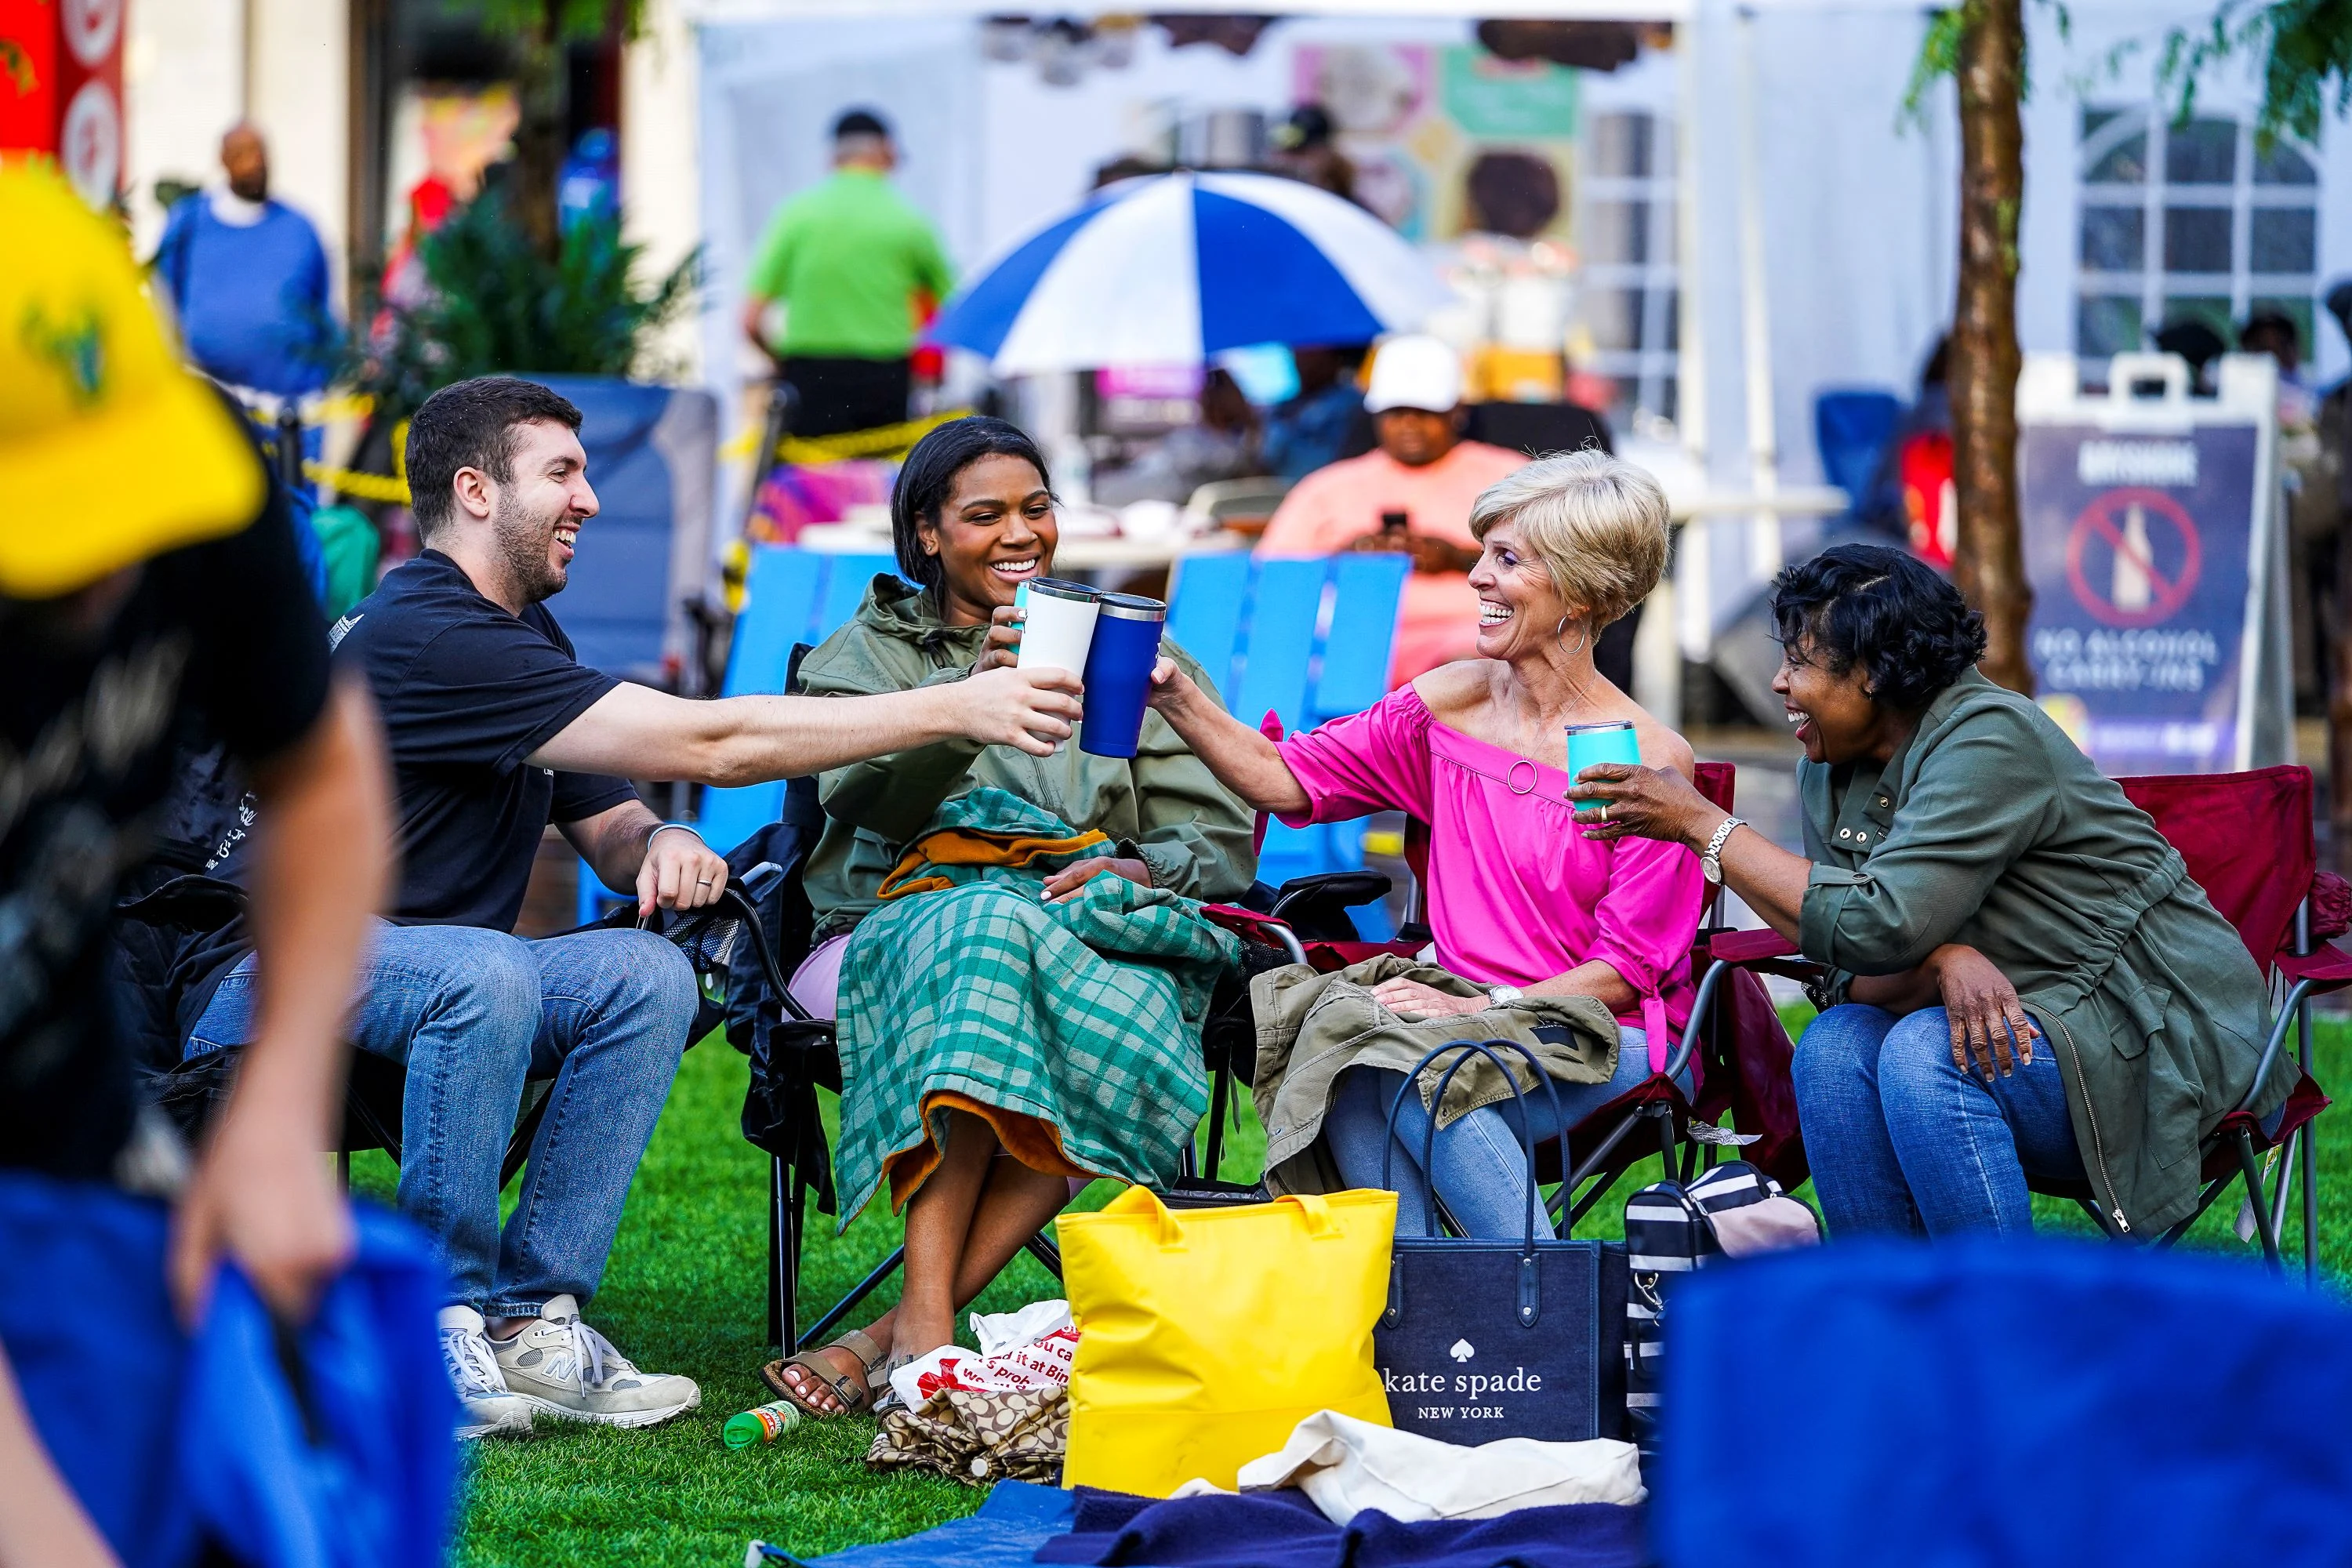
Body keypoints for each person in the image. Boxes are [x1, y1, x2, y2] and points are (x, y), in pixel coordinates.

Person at [179, 379, 1085, 1439]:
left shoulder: (519, 638)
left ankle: (532, 1318)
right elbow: (713, 744)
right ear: (475, 491)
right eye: (562, 472)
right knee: (487, 968)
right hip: (257, 972)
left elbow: (607, 818)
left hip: (414, 973)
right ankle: (437, 1317)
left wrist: (663, 838)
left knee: (643, 974)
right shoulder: (430, 629)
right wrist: (954, 704)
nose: (591, 500)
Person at [0, 168, 388, 1566]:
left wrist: (281, 1105)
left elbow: (325, 776)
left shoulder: (190, 476)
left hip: (61, 1099)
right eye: (47, 524)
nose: (112, 565)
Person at [1577, 544, 2287, 1240]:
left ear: (1877, 675)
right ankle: (1893, 1328)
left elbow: (1875, 928)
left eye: (1800, 662)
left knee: (1927, 1054)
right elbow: (1848, 964)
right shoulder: (1830, 767)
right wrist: (1941, 957)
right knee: (1830, 1047)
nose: (1778, 683)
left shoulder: (1992, 738)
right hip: (2016, 1020)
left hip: (2150, 1034)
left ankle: (1996, 1334)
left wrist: (1706, 826)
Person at [764, 416, 1256, 1417]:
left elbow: (1221, 839)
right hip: (889, 931)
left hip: (1086, 927)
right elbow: (864, 800)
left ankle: (899, 1331)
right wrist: (966, 697)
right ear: (928, 533)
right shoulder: (869, 656)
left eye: (1036, 507)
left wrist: (1135, 858)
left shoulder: (1138, 657)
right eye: (983, 514)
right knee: (990, 938)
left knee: (1108, 993)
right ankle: (932, 1328)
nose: (1019, 533)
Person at [1150, 450, 1700, 1236]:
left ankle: (1542, 1318)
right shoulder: (1448, 702)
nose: (1475, 575)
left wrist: (1480, 1004)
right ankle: (1428, 1333)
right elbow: (1288, 779)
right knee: (1349, 1054)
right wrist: (1173, 693)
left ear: (1579, 591)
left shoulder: (1647, 757)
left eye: (1505, 559)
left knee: (1419, 1068)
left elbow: (1626, 972)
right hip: (1452, 1017)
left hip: (1602, 1029)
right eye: (1483, 552)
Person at [1256, 335, 1527, 684]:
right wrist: (1346, 556)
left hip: (1473, 641)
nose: (1409, 425)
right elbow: (1273, 580)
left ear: (1457, 411)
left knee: (1476, 668)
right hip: (1345, 648)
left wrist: (1457, 558)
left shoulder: (1511, 478)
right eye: (1396, 413)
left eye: (1425, 413)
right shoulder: (1326, 488)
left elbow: (1552, 567)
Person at [740, 109, 956, 438]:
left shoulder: (796, 216)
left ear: (834, 156)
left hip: (809, 378)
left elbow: (750, 320)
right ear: (886, 152)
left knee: (810, 487)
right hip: (886, 382)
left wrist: (780, 362)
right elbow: (955, 309)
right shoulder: (909, 221)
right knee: (880, 488)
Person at [151, 122, 338, 399]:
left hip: (293, 409)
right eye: (244, 154)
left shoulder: (300, 228)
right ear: (223, 161)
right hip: (216, 410)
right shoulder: (188, 223)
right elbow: (162, 301)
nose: (256, 164)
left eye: (262, 153)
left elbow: (322, 307)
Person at [1259, 345, 1368, 483]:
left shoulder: (1354, 404)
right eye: (1297, 351)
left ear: (1332, 356)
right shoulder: (1281, 410)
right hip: (1283, 496)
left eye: (1310, 352)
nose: (1301, 359)